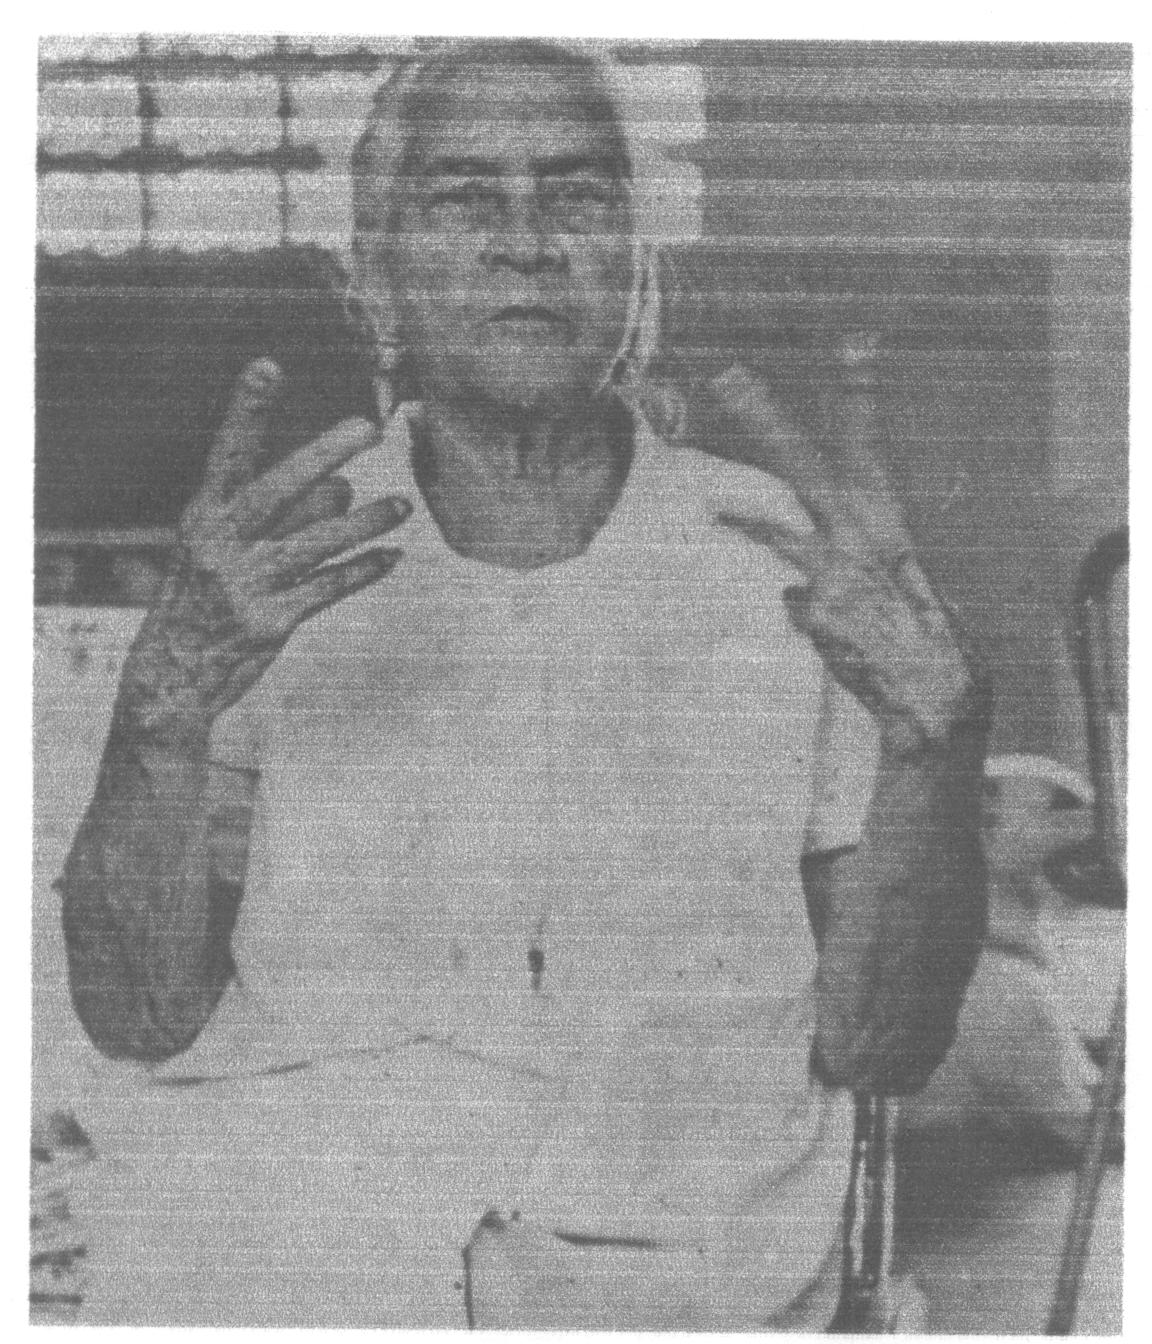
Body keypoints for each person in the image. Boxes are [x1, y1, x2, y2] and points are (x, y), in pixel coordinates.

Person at [58, 38, 990, 1329]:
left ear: (636, 262)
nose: (527, 243)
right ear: (374, 271)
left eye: (578, 194)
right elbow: (139, 1016)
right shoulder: (268, 564)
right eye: (462, 199)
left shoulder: (787, 560)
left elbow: (884, 1045)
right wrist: (158, 717)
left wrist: (937, 749)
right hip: (300, 1253)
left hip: (678, 1275)